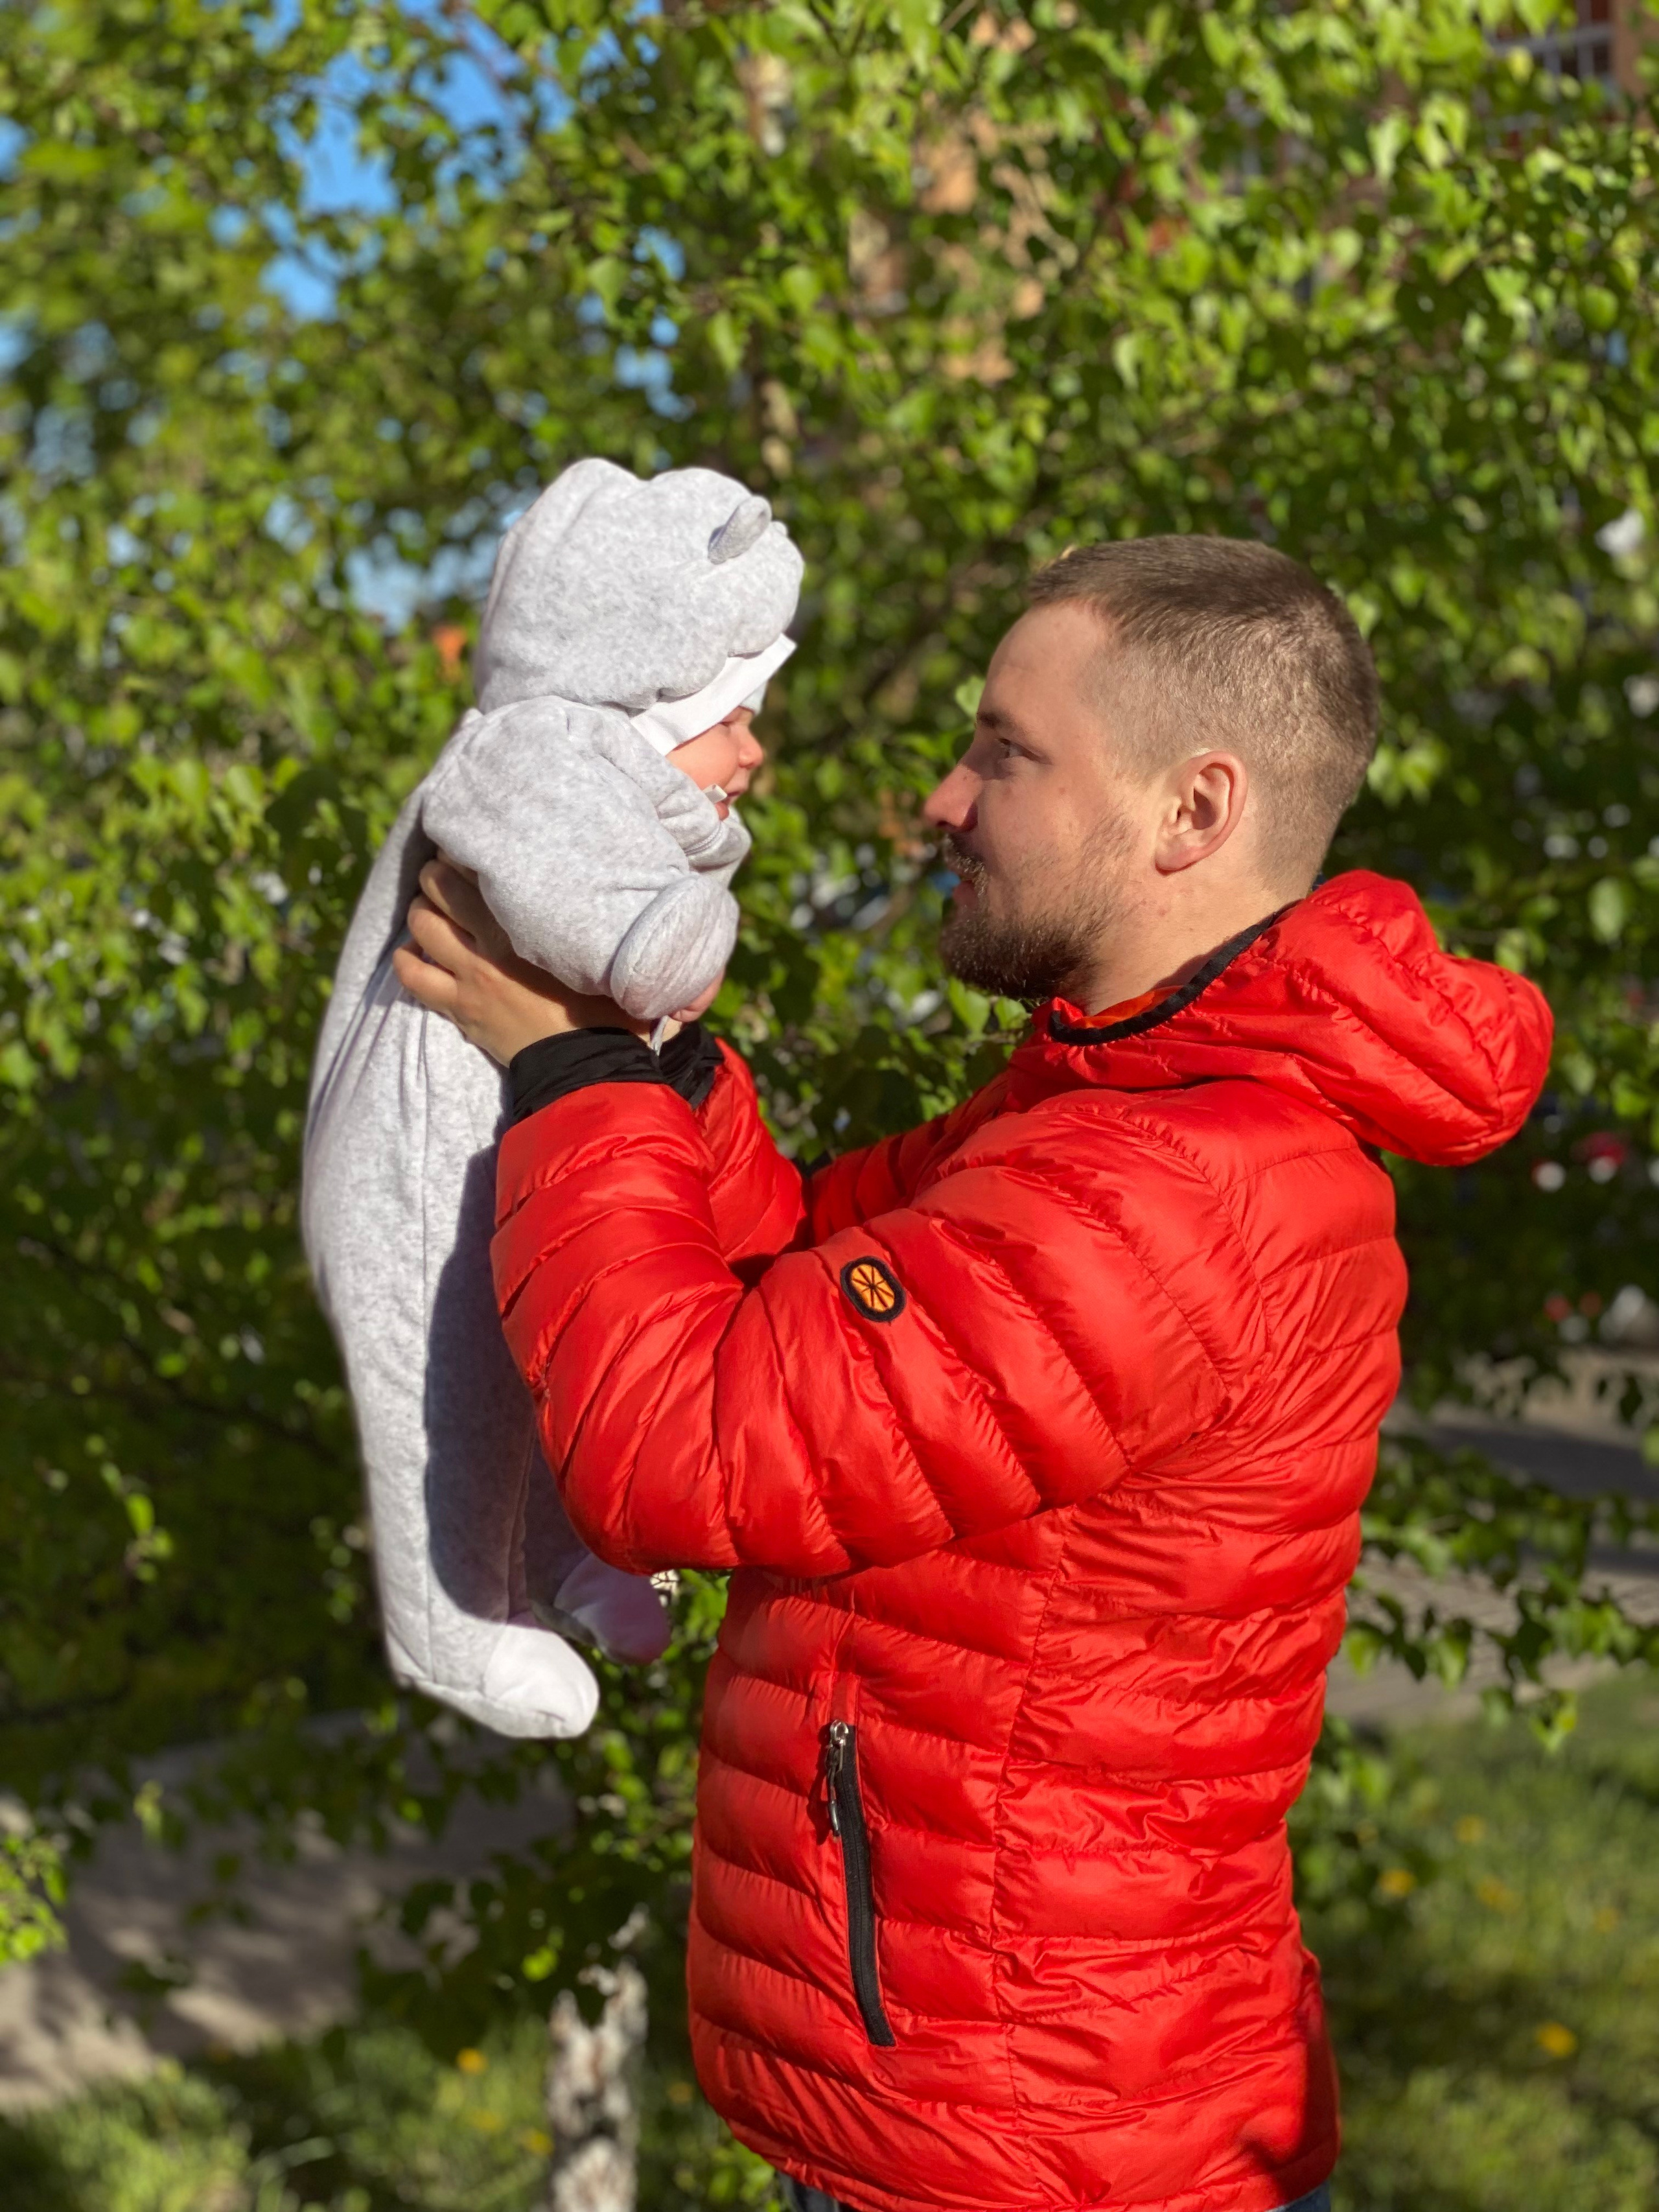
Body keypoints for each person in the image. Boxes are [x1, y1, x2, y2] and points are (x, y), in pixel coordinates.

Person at [395, 535, 1553, 2212]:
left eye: (1006, 752)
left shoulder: (1171, 1192)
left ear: (1191, 811)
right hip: (999, 2103)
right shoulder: (1108, 1111)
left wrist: (569, 1071)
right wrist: (660, 1059)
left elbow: (682, 1450)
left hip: (1028, 2146)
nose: (943, 799)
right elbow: (804, 1276)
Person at [304, 458, 800, 1740]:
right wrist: (690, 927)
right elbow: (647, 952)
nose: (753, 750)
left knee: (548, 1352)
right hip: (418, 1162)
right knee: (449, 1384)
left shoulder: (593, 772)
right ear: (643, 693)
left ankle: (568, 1556)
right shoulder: (538, 756)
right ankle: (452, 1619)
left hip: (503, 1133)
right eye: (734, 713)